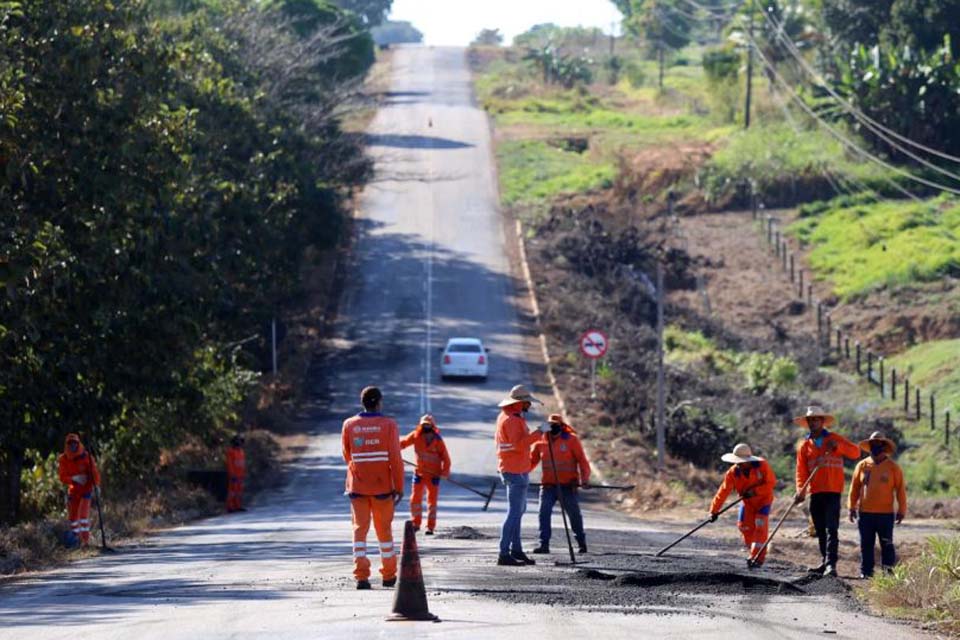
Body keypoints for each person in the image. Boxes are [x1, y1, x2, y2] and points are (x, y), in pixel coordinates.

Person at [341, 386, 404, 590]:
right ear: (378, 402)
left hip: (357, 487)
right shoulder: (389, 425)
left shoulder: (349, 425)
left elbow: (347, 455)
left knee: (359, 531)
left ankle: (361, 576)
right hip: (382, 489)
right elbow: (395, 459)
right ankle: (388, 575)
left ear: (363, 402)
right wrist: (399, 486)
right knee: (384, 532)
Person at [792, 405, 861, 577]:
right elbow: (801, 472)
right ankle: (824, 561)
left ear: (822, 421)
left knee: (832, 528)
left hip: (832, 491)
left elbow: (855, 452)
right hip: (815, 492)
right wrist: (800, 490)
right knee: (820, 529)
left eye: (816, 419)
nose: (813, 422)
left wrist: (838, 447)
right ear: (807, 423)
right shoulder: (804, 446)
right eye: (810, 420)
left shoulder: (834, 438)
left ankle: (831, 565)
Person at [495, 384, 548, 567]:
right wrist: (540, 432)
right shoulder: (512, 420)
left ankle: (515, 550)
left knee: (518, 512)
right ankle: (504, 552)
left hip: (516, 469)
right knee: (514, 513)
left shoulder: (509, 417)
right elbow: (520, 444)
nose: (530, 406)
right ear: (521, 402)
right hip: (515, 470)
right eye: (528, 402)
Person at [529, 414, 591, 555]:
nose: (553, 428)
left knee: (574, 515)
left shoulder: (572, 441)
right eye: (551, 426)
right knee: (543, 514)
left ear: (562, 426)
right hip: (548, 486)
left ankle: (581, 543)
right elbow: (531, 462)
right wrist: (516, 471)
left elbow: (582, 462)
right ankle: (543, 544)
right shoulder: (540, 442)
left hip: (568, 486)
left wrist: (584, 479)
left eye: (556, 425)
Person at [849, 432, 907, 579]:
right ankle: (866, 572)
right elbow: (854, 488)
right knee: (866, 544)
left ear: (884, 446)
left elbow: (900, 490)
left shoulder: (893, 468)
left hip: (885, 514)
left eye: (879, 444)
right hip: (865, 513)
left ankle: (888, 574)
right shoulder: (862, 466)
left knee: (887, 545)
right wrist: (851, 507)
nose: (876, 447)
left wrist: (901, 510)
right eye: (873, 444)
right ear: (869, 447)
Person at [709, 443, 777, 568]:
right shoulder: (733, 472)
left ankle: (757, 558)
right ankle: (753, 552)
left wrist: (755, 491)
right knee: (744, 527)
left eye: (741, 461)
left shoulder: (762, 466)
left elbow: (771, 483)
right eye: (737, 461)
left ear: (748, 460)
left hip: (763, 502)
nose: (739, 464)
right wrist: (714, 511)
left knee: (760, 527)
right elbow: (723, 491)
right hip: (748, 503)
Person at [401, 414, 451, 535]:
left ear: (432, 425)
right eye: (424, 424)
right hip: (419, 474)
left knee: (432, 502)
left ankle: (430, 527)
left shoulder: (438, 440)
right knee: (415, 500)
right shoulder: (416, 435)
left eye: (428, 424)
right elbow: (403, 443)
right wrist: (393, 449)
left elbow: (446, 459)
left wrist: (445, 473)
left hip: (434, 475)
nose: (426, 426)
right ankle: (415, 523)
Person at [57, 433, 101, 547]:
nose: (73, 446)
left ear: (78, 443)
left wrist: (96, 485)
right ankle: (76, 541)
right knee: (73, 518)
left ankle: (86, 542)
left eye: (75, 443)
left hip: (86, 490)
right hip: (73, 491)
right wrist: (73, 479)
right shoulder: (63, 459)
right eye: (70, 444)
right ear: (67, 445)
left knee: (83, 517)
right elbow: (62, 477)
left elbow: (94, 473)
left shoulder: (86, 456)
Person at [225, 434, 247, 513]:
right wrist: (232, 474)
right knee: (232, 491)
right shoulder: (231, 451)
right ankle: (230, 506)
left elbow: (242, 463)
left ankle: (237, 505)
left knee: (239, 491)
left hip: (240, 475)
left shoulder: (241, 451)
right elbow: (230, 464)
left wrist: (244, 474)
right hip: (234, 475)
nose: (241, 444)